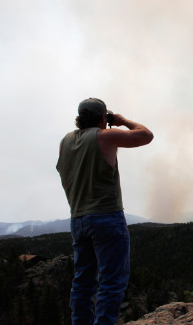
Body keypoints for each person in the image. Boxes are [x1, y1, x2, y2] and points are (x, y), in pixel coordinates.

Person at [56, 98, 153, 325]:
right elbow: (146, 135)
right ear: (103, 118)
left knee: (82, 282)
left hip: (78, 219)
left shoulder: (65, 142)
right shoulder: (105, 136)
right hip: (106, 217)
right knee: (111, 282)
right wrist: (121, 120)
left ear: (79, 118)